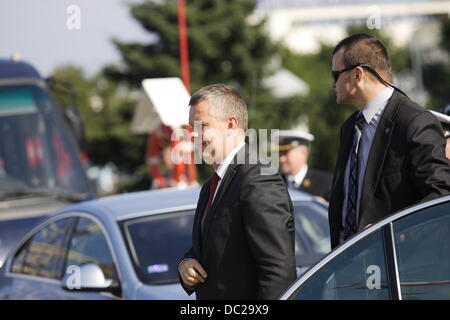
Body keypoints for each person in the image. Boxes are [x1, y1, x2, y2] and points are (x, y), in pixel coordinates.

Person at [329, 33, 450, 249]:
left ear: (357, 75)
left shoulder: (414, 122)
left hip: (400, 268)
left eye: (335, 74)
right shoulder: (349, 128)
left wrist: (393, 233)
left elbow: (441, 194)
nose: (332, 84)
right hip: (352, 267)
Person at [178, 84, 296, 299]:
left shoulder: (258, 178)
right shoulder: (211, 185)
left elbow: (279, 270)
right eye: (190, 127)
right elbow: (214, 246)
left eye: (202, 125)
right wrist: (186, 263)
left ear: (231, 124)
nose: (193, 135)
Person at [276, 130, 333, 202]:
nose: (281, 159)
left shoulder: (326, 183)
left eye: (286, 153)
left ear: (304, 154)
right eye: (279, 153)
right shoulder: (274, 183)